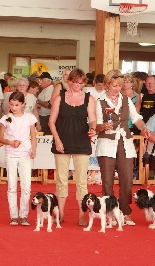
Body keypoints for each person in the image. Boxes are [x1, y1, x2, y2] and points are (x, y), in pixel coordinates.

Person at [95, 69, 150, 225]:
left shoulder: (126, 100)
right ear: (107, 85)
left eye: (119, 85)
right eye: (114, 85)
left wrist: (144, 128)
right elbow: (96, 124)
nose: (117, 88)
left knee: (127, 180)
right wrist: (103, 126)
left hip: (125, 143)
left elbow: (136, 118)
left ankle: (125, 212)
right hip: (106, 144)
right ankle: (109, 213)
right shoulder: (99, 102)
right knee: (107, 182)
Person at [48, 68, 96, 225]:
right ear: (69, 81)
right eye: (76, 82)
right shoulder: (59, 97)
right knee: (62, 180)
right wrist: (57, 140)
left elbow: (93, 119)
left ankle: (82, 215)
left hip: (82, 142)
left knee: (82, 182)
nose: (78, 85)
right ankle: (60, 214)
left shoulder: (89, 98)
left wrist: (93, 129)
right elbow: (51, 121)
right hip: (62, 142)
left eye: (81, 83)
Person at [0, 91, 37, 226]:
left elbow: (33, 135)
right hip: (11, 155)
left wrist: (34, 150)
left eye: (17, 105)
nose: (14, 107)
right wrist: (10, 142)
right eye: (12, 104)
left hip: (25, 155)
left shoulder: (29, 117)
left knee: (26, 187)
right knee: (12, 186)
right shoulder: (6, 118)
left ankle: (24, 215)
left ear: (23, 105)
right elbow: (0, 138)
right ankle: (14, 216)